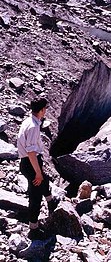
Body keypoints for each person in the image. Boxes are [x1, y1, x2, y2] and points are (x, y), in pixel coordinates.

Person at [17, 97, 58, 240]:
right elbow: (31, 152)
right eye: (45, 108)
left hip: (27, 162)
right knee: (35, 196)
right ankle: (33, 229)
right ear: (41, 110)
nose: (46, 111)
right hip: (30, 162)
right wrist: (37, 172)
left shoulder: (29, 121)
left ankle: (51, 200)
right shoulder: (34, 127)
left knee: (44, 179)